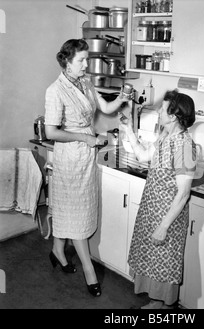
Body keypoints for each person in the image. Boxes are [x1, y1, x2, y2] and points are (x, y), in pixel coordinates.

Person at [44, 39, 129, 297]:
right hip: (69, 158)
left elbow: (105, 107)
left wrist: (122, 99)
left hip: (86, 157)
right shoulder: (55, 90)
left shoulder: (85, 82)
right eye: (81, 60)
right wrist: (86, 138)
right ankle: (89, 270)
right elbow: (51, 131)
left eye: (86, 59)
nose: (86, 64)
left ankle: (58, 251)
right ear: (67, 62)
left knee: (70, 210)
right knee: (77, 214)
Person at [119, 89, 200, 309]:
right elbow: (144, 156)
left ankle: (165, 307)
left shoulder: (184, 147)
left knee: (164, 262)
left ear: (173, 116)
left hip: (167, 216)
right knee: (152, 260)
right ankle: (156, 303)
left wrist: (163, 227)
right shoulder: (165, 136)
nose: (158, 112)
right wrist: (129, 131)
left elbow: (183, 194)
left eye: (163, 109)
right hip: (151, 209)